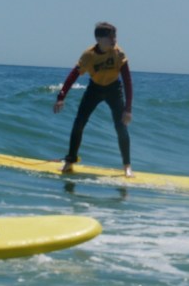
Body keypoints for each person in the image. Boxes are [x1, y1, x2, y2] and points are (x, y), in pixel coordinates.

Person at [53, 22, 134, 177]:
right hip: (95, 89)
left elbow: (127, 81)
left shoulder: (118, 53)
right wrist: (61, 97)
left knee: (121, 126)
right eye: (110, 37)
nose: (114, 39)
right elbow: (72, 76)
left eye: (115, 36)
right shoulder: (88, 55)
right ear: (99, 39)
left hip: (114, 90)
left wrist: (128, 109)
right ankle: (70, 162)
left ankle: (127, 167)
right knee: (79, 123)